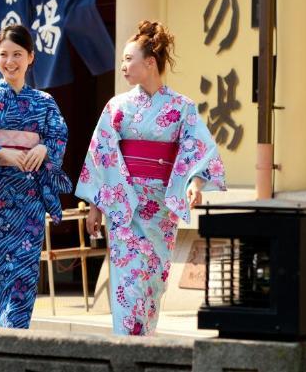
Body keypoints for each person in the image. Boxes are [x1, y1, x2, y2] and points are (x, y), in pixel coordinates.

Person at [76, 20, 226, 336]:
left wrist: (194, 184)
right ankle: (126, 344)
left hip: (160, 207)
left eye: (129, 60)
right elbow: (101, 155)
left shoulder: (182, 107)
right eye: (123, 61)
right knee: (127, 282)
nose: (123, 67)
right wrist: (95, 206)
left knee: (153, 282)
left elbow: (197, 150)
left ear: (150, 62)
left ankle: (144, 342)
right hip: (125, 205)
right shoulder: (116, 107)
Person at [0, 24, 72, 328]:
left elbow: (58, 136)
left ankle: (15, 338)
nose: (10, 61)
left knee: (23, 277)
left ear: (31, 57)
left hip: (28, 203)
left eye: (18, 54)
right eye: (4, 54)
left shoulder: (44, 102)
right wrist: (1, 154)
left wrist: (43, 149)